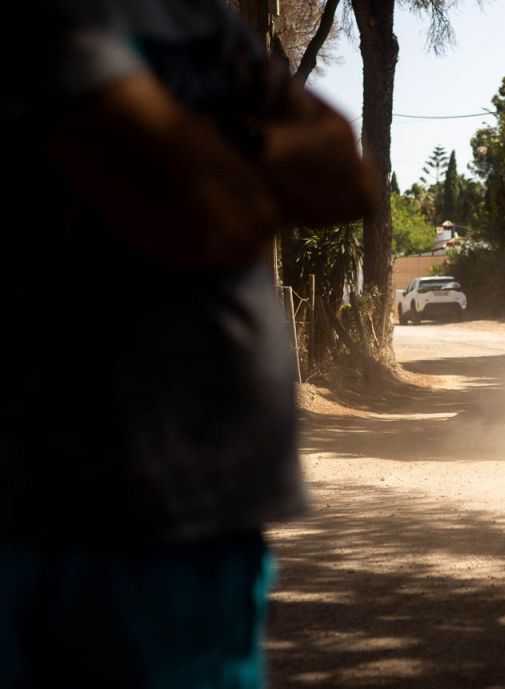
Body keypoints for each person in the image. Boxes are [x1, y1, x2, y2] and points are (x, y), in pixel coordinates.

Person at [0, 1, 371, 686]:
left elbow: (348, 177)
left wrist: (227, 154)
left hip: (209, 516)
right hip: (84, 505)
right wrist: (260, 165)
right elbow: (207, 217)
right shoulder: (56, 19)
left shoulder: (197, 22)